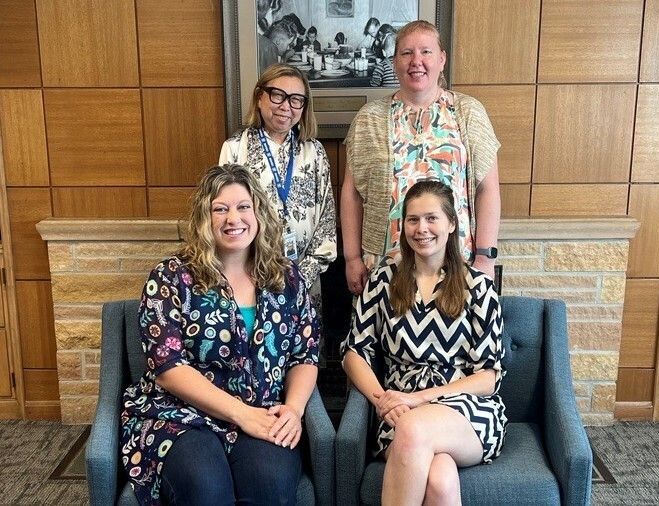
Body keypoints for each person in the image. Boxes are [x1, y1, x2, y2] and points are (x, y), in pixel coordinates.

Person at [120, 164, 320, 505]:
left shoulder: (287, 279)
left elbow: (305, 354)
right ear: (204, 218)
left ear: (259, 213)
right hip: (180, 415)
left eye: (243, 206)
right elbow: (168, 368)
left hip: (264, 411)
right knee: (205, 489)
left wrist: (293, 409)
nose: (233, 218)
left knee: (269, 484)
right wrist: (241, 414)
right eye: (220, 209)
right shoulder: (171, 277)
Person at [342, 180, 506, 505]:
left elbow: (488, 378)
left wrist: (420, 400)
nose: (422, 229)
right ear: (403, 227)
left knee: (415, 430)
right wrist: (383, 401)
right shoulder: (383, 280)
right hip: (398, 411)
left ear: (451, 222)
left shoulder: (478, 287)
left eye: (431, 218)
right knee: (441, 480)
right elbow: (353, 354)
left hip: (466, 409)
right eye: (413, 220)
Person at [341, 20, 501, 296]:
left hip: (455, 262)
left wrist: (485, 257)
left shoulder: (469, 112)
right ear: (395, 62)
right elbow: (351, 194)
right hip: (384, 263)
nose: (416, 61)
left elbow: (488, 189)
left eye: (425, 52)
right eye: (406, 53)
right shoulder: (369, 118)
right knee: (383, 337)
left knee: (451, 336)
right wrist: (352, 258)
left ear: (441, 59)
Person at [219, 64, 336, 297]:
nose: (286, 106)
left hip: (305, 279)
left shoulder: (313, 152)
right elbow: (224, 215)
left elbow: (327, 218)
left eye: (295, 100)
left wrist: (303, 275)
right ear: (260, 97)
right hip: (250, 278)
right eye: (277, 95)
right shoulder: (235, 149)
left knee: (305, 334)